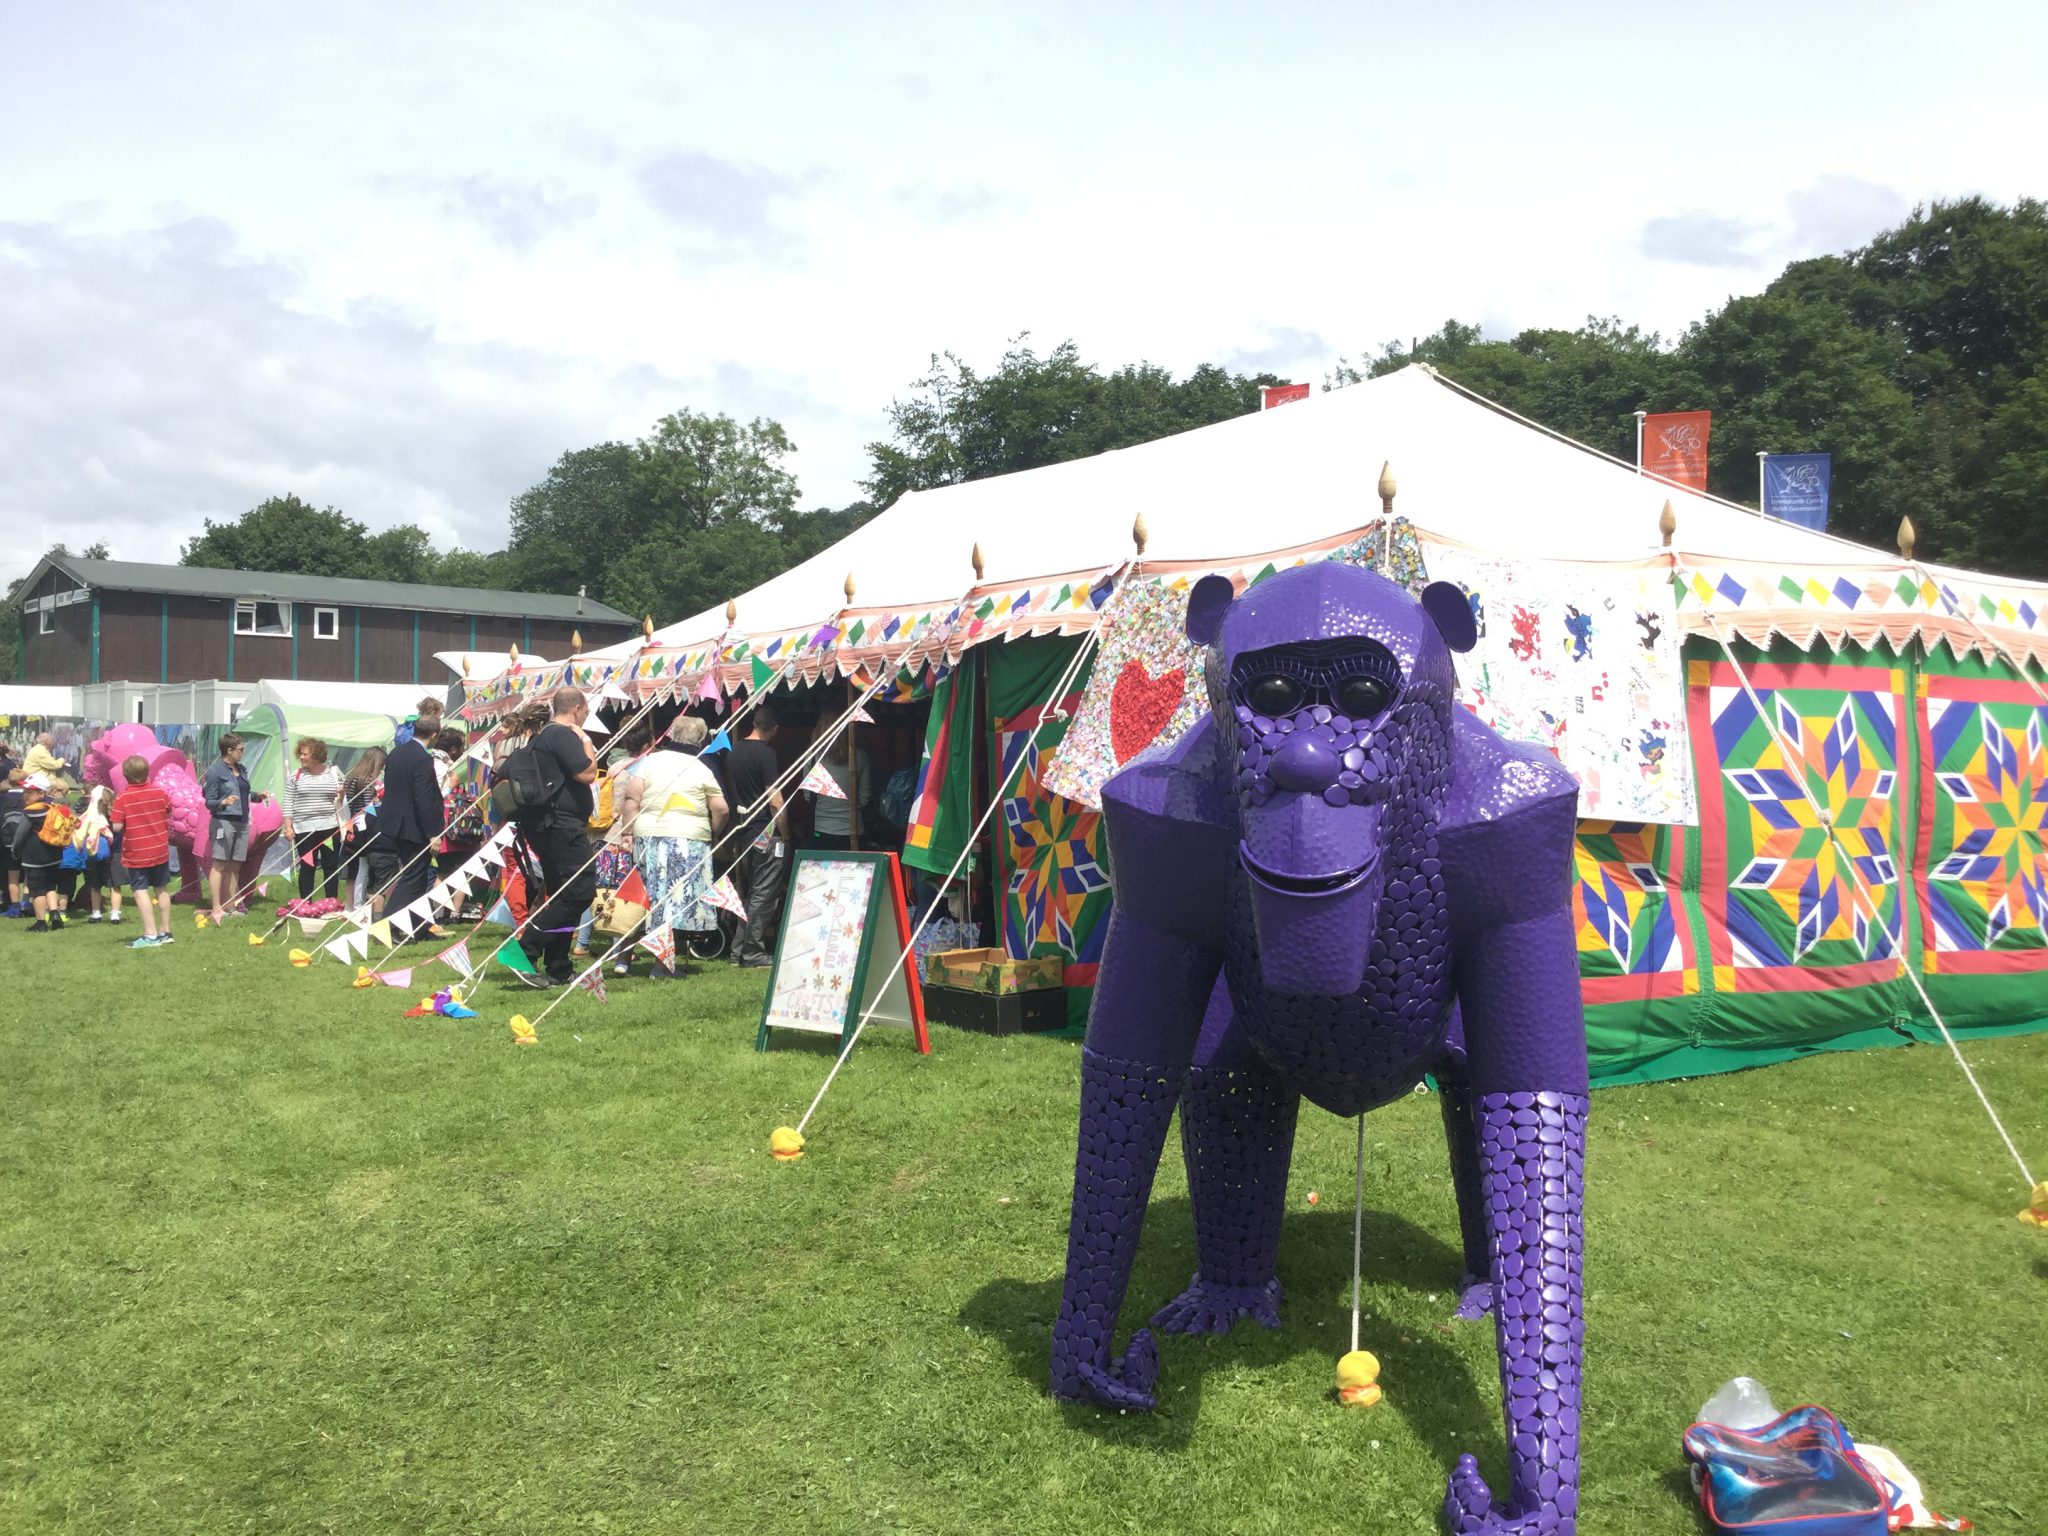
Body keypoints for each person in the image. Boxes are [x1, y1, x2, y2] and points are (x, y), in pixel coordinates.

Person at [613, 715, 729, 979]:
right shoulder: (702, 768)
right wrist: (714, 832)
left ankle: (623, 959)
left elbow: (631, 799)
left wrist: (627, 833)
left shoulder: (649, 762)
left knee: (640, 898)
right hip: (687, 841)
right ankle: (662, 966)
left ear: (672, 735)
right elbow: (721, 808)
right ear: (700, 740)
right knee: (672, 905)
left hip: (648, 837)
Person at [510, 686, 600, 986]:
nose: (585, 718)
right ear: (577, 709)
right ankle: (524, 951)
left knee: (564, 894)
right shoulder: (563, 735)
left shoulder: (543, 736)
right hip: (560, 825)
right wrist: (586, 740)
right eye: (586, 712)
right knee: (580, 891)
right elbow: (587, 773)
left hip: (548, 825)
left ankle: (558, 966)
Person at [723, 702, 788, 968]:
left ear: (754, 723)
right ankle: (752, 951)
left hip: (743, 830)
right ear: (774, 729)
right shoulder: (767, 754)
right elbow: (775, 798)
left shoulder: (733, 751)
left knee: (753, 891)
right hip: (765, 830)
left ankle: (739, 949)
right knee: (765, 892)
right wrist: (785, 832)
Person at [378, 699, 447, 928]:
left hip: (394, 823)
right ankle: (388, 925)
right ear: (434, 735)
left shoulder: (396, 753)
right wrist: (433, 832)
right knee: (413, 878)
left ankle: (417, 926)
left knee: (416, 878)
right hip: (413, 826)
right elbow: (424, 798)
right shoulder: (422, 758)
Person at [111, 753, 174, 948]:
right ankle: (166, 931)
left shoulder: (123, 798)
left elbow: (117, 827)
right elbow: (169, 809)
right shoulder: (160, 792)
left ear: (125, 776)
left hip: (137, 852)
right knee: (161, 889)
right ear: (147, 773)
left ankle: (150, 935)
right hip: (160, 849)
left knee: (140, 891)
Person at [282, 736, 345, 905]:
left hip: (330, 827)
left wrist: (342, 792)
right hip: (303, 829)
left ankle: (331, 902)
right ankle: (306, 903)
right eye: (301, 754)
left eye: (305, 754)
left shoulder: (334, 773)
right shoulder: (295, 776)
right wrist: (288, 827)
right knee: (307, 866)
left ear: (316, 756)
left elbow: (343, 800)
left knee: (330, 866)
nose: (301, 757)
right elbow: (288, 802)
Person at [202, 732, 254, 922]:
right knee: (220, 864)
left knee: (235, 866)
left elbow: (244, 793)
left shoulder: (242, 769)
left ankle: (231, 905)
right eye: (241, 749)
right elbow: (209, 800)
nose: (243, 753)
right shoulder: (216, 771)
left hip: (242, 821)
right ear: (230, 750)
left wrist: (258, 796)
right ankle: (216, 906)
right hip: (223, 821)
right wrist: (223, 802)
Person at [804, 714, 874, 852]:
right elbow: (865, 798)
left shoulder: (812, 757)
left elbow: (808, 797)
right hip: (853, 831)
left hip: (821, 829)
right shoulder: (860, 757)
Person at [16, 772, 73, 931]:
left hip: (35, 857)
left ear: (41, 793)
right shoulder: (53, 808)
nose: (25, 795)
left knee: (37, 890)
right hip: (54, 855)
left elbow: (20, 835)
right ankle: (54, 914)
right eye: (25, 791)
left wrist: (15, 850)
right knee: (50, 886)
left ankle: (41, 922)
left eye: (30, 792)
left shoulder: (30, 812)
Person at [335, 746, 386, 909]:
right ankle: (359, 905)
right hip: (366, 826)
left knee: (357, 868)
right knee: (364, 867)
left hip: (353, 825)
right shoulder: (369, 781)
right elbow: (368, 806)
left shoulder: (352, 777)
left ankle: (353, 904)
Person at [76, 784, 122, 924]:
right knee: (115, 886)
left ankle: (96, 913)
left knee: (95, 886)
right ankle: (115, 914)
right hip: (114, 853)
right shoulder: (116, 816)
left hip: (95, 853)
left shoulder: (91, 818)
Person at [0, 763, 24, 916]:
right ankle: (27, 902)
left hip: (6, 841)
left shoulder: (3, 799)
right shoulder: (27, 798)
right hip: (26, 842)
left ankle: (14, 906)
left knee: (12, 875)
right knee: (28, 874)